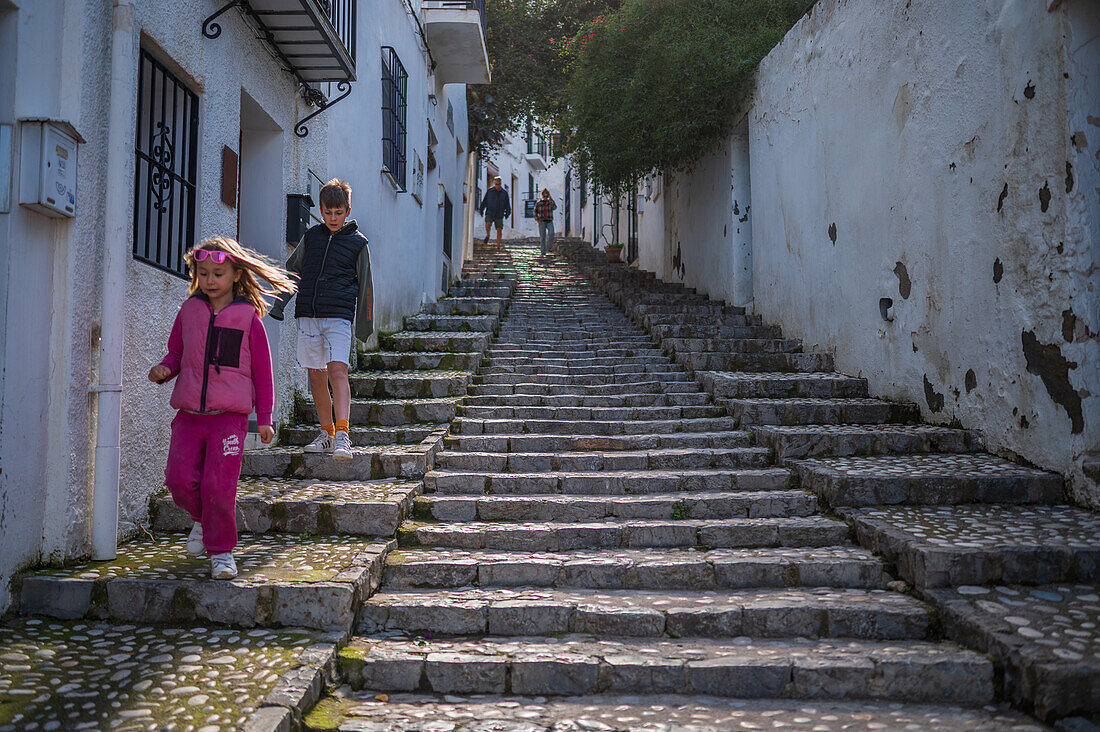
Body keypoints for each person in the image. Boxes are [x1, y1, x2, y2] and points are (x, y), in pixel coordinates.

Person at [149, 238, 297, 579]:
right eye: (204, 273)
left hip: (229, 421)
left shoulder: (248, 319)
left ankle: (222, 553)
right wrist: (164, 369)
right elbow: (176, 352)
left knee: (219, 487)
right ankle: (201, 520)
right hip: (189, 418)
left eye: (218, 273)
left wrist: (264, 418)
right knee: (178, 480)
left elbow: (263, 372)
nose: (211, 280)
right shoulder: (188, 311)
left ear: (235, 275)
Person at [269, 178, 373, 461]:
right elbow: (292, 272)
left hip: (338, 317)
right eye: (327, 212)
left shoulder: (358, 243)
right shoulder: (312, 237)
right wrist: (279, 305)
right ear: (321, 211)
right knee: (315, 376)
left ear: (347, 211)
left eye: (338, 213)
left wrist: (364, 326)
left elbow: (366, 285)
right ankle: (326, 434)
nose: (333, 218)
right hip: (308, 316)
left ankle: (343, 436)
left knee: (338, 372)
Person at [478, 176, 511, 248]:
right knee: (488, 224)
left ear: (500, 184)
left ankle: (498, 245)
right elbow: (484, 201)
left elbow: (507, 204)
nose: (497, 186)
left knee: (499, 229)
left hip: (499, 214)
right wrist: (481, 210)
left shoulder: (504, 193)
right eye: (496, 184)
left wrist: (507, 213)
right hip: (490, 212)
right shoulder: (489, 191)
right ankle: (488, 235)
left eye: (498, 184)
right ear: (494, 183)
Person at [533, 188, 557, 255]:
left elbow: (554, 207)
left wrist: (551, 199)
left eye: (547, 196)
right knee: (542, 237)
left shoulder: (550, 202)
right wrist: (537, 220)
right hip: (542, 221)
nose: (545, 198)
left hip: (549, 220)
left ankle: (549, 248)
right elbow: (535, 212)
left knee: (552, 233)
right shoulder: (539, 203)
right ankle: (543, 252)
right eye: (544, 196)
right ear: (542, 195)